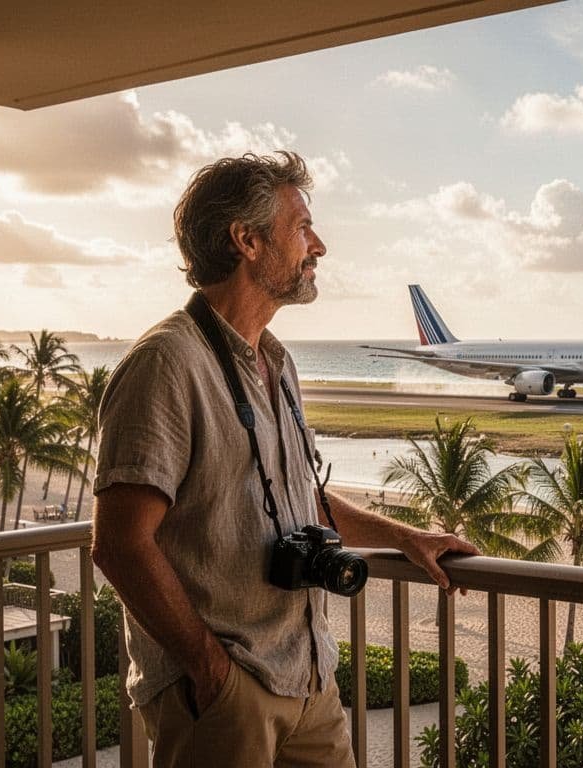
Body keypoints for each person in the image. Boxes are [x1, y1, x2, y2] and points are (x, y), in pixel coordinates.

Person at [91, 151, 477, 767]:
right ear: (246, 240)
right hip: (224, 690)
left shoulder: (278, 361)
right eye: (301, 227)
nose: (318, 245)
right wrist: (209, 668)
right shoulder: (167, 363)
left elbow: (302, 496)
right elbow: (119, 544)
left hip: (307, 678)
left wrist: (403, 536)